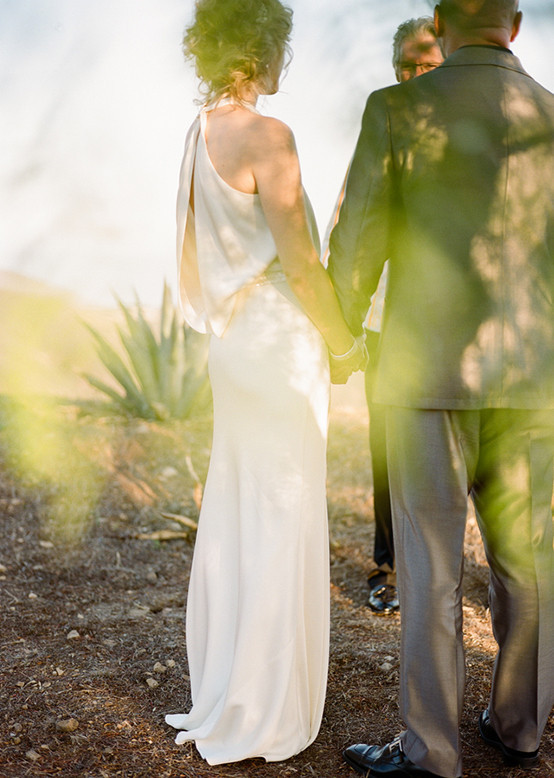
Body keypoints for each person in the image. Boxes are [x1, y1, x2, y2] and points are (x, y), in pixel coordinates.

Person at [327, 1, 554, 776]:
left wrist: (342, 334)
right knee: (529, 563)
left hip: (424, 375)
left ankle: (432, 755)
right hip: (535, 382)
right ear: (515, 24)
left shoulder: (397, 107)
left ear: (440, 20)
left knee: (429, 566)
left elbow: (359, 233)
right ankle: (521, 729)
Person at [165, 0, 365, 766]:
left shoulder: (198, 136)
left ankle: (229, 684)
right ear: (260, 48)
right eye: (282, 46)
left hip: (233, 346)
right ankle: (268, 705)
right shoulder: (268, 136)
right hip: (281, 344)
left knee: (239, 513)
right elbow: (303, 263)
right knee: (282, 516)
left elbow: (193, 259)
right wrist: (344, 343)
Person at [364, 16, 443, 616]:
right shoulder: (384, 125)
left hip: (455, 329)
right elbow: (353, 223)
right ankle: (388, 566)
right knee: (387, 452)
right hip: (385, 326)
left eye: (427, 65)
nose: (415, 77)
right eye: (405, 67)